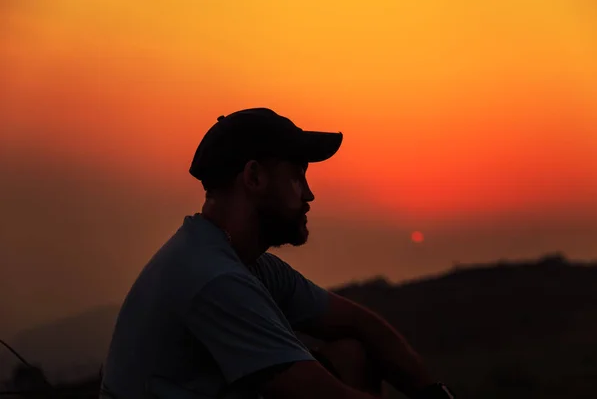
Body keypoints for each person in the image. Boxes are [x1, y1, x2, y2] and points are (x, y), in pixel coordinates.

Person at [100, 108, 456, 399]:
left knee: (351, 350)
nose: (310, 194)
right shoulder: (213, 277)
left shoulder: (245, 264)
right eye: (298, 177)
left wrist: (433, 394)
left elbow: (359, 323)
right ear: (254, 178)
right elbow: (323, 396)